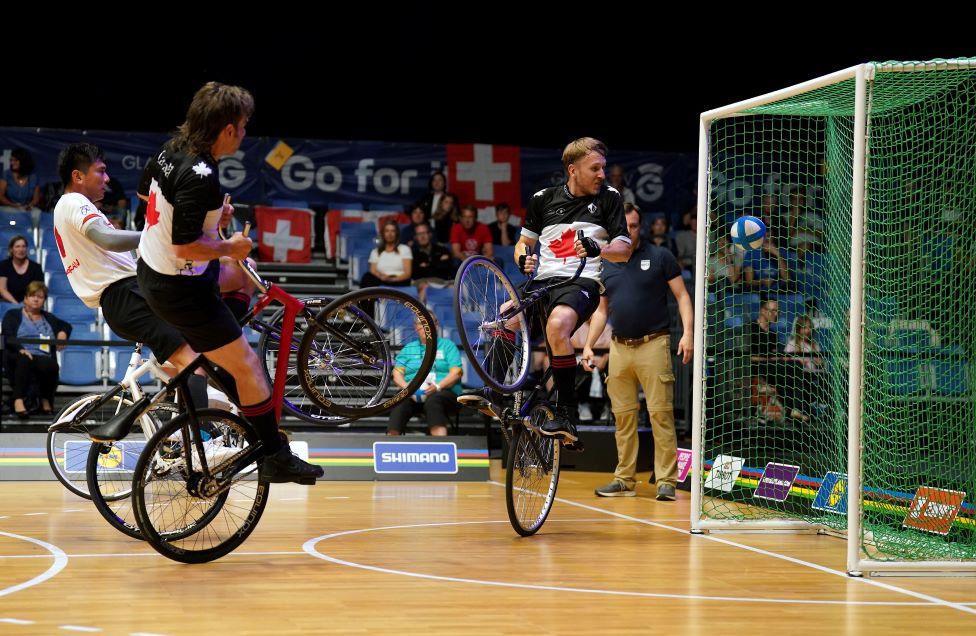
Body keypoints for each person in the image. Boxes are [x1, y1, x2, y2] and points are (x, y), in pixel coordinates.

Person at [136, 81, 321, 484]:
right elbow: (185, 246)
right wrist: (229, 245)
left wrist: (209, 219)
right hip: (179, 287)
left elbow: (146, 197)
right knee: (251, 365)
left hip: (155, 272)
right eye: (243, 125)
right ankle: (274, 456)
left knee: (239, 289)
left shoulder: (171, 150)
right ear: (228, 129)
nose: (245, 133)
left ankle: (227, 374)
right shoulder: (201, 174)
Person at [464, 137, 631, 442]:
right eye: (595, 168)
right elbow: (523, 245)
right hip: (543, 281)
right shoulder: (543, 199)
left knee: (557, 325)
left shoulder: (610, 198)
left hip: (582, 282)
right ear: (573, 170)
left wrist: (599, 248)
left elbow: (623, 250)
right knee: (506, 316)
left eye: (603, 168)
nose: (601, 174)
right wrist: (523, 258)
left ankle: (567, 413)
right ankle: (492, 393)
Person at [53, 142, 243, 406]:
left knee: (184, 364)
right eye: (101, 171)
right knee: (193, 362)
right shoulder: (73, 201)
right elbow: (107, 239)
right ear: (78, 176)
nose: (107, 178)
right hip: (126, 295)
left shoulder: (74, 207)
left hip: (129, 294)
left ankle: (185, 425)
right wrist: (156, 236)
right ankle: (202, 437)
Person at [585, 204, 693, 501]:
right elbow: (601, 312)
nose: (629, 231)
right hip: (619, 347)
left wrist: (688, 333)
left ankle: (666, 481)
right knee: (623, 417)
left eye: (633, 226)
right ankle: (624, 479)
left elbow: (682, 296)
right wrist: (587, 344)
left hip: (654, 344)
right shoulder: (605, 264)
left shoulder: (660, 257)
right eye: (624, 227)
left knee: (660, 414)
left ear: (640, 227)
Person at [386, 317, 463, 436]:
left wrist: (438, 386)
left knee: (434, 401)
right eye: (422, 323)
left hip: (443, 392)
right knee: (399, 401)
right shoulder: (409, 348)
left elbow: (457, 372)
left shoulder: (448, 346)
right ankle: (390, 444)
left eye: (430, 322)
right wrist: (407, 388)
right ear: (415, 327)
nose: (426, 326)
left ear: (436, 326)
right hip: (412, 393)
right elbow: (396, 374)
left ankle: (441, 448)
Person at [2, 282, 70, 417]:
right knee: (25, 359)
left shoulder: (48, 317)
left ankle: (45, 399)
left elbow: (65, 325)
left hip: (41, 356)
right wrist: (20, 349)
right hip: (18, 354)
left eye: (40, 297)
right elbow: (7, 336)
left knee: (51, 365)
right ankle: (18, 400)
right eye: (32, 296)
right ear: (26, 298)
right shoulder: (13, 315)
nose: (36, 299)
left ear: (44, 300)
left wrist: (62, 333)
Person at [361, 221, 413, 288]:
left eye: (393, 231)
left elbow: (407, 273)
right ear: (383, 234)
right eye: (387, 231)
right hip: (381, 280)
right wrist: (382, 277)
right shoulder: (375, 252)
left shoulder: (404, 249)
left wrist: (392, 279)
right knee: (367, 277)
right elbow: (373, 271)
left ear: (396, 233)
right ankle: (363, 297)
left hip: (398, 281)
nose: (390, 234)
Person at [411, 222, 455, 290]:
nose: (422, 236)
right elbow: (416, 274)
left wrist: (427, 266)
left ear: (430, 234)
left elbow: (446, 270)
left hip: (441, 282)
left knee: (454, 288)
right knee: (424, 287)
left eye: (424, 233)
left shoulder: (442, 250)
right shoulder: (412, 253)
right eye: (419, 234)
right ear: (416, 237)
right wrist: (437, 262)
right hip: (421, 283)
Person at [0, 235, 43, 304]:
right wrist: (16, 304)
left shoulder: (36, 268)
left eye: (24, 246)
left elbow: (38, 290)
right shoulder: (3, 265)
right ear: (11, 249)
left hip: (29, 305)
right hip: (7, 303)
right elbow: (2, 289)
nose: (21, 249)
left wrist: (26, 306)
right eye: (17, 246)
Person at [0, 148, 42, 214]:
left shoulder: (33, 177)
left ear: (23, 161)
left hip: (27, 209)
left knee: (37, 213)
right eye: (11, 160)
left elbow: (36, 199)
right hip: (9, 207)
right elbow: (1, 196)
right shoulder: (6, 174)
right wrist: (14, 205)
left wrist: (29, 206)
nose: (12, 163)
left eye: (15, 160)